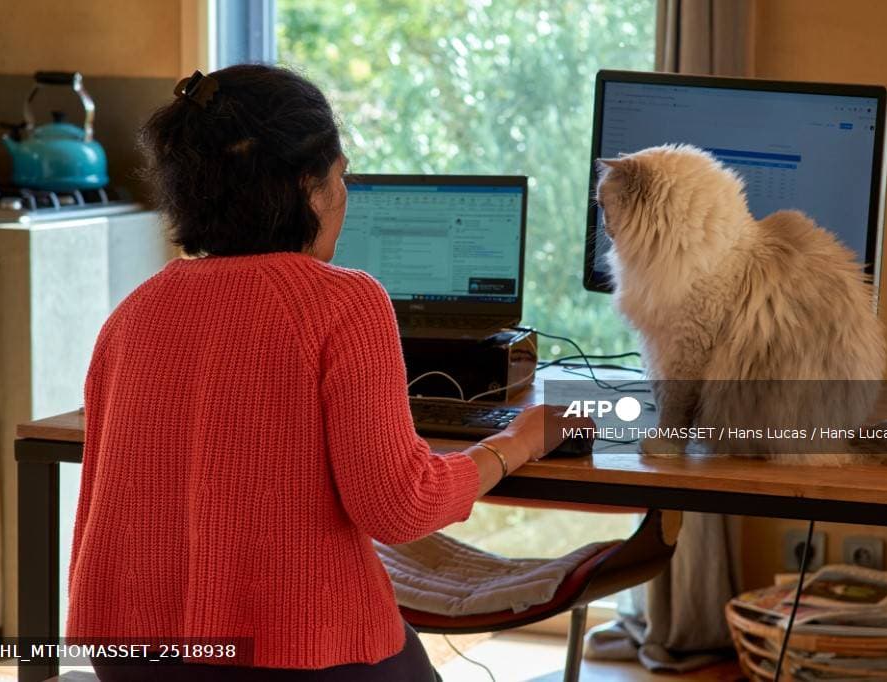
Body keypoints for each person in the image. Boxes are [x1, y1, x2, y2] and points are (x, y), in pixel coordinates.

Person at [66, 64, 589, 681]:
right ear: (307, 187)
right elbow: (399, 507)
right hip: (295, 654)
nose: (345, 196)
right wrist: (521, 439)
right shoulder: (345, 303)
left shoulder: (132, 313)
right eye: (341, 176)